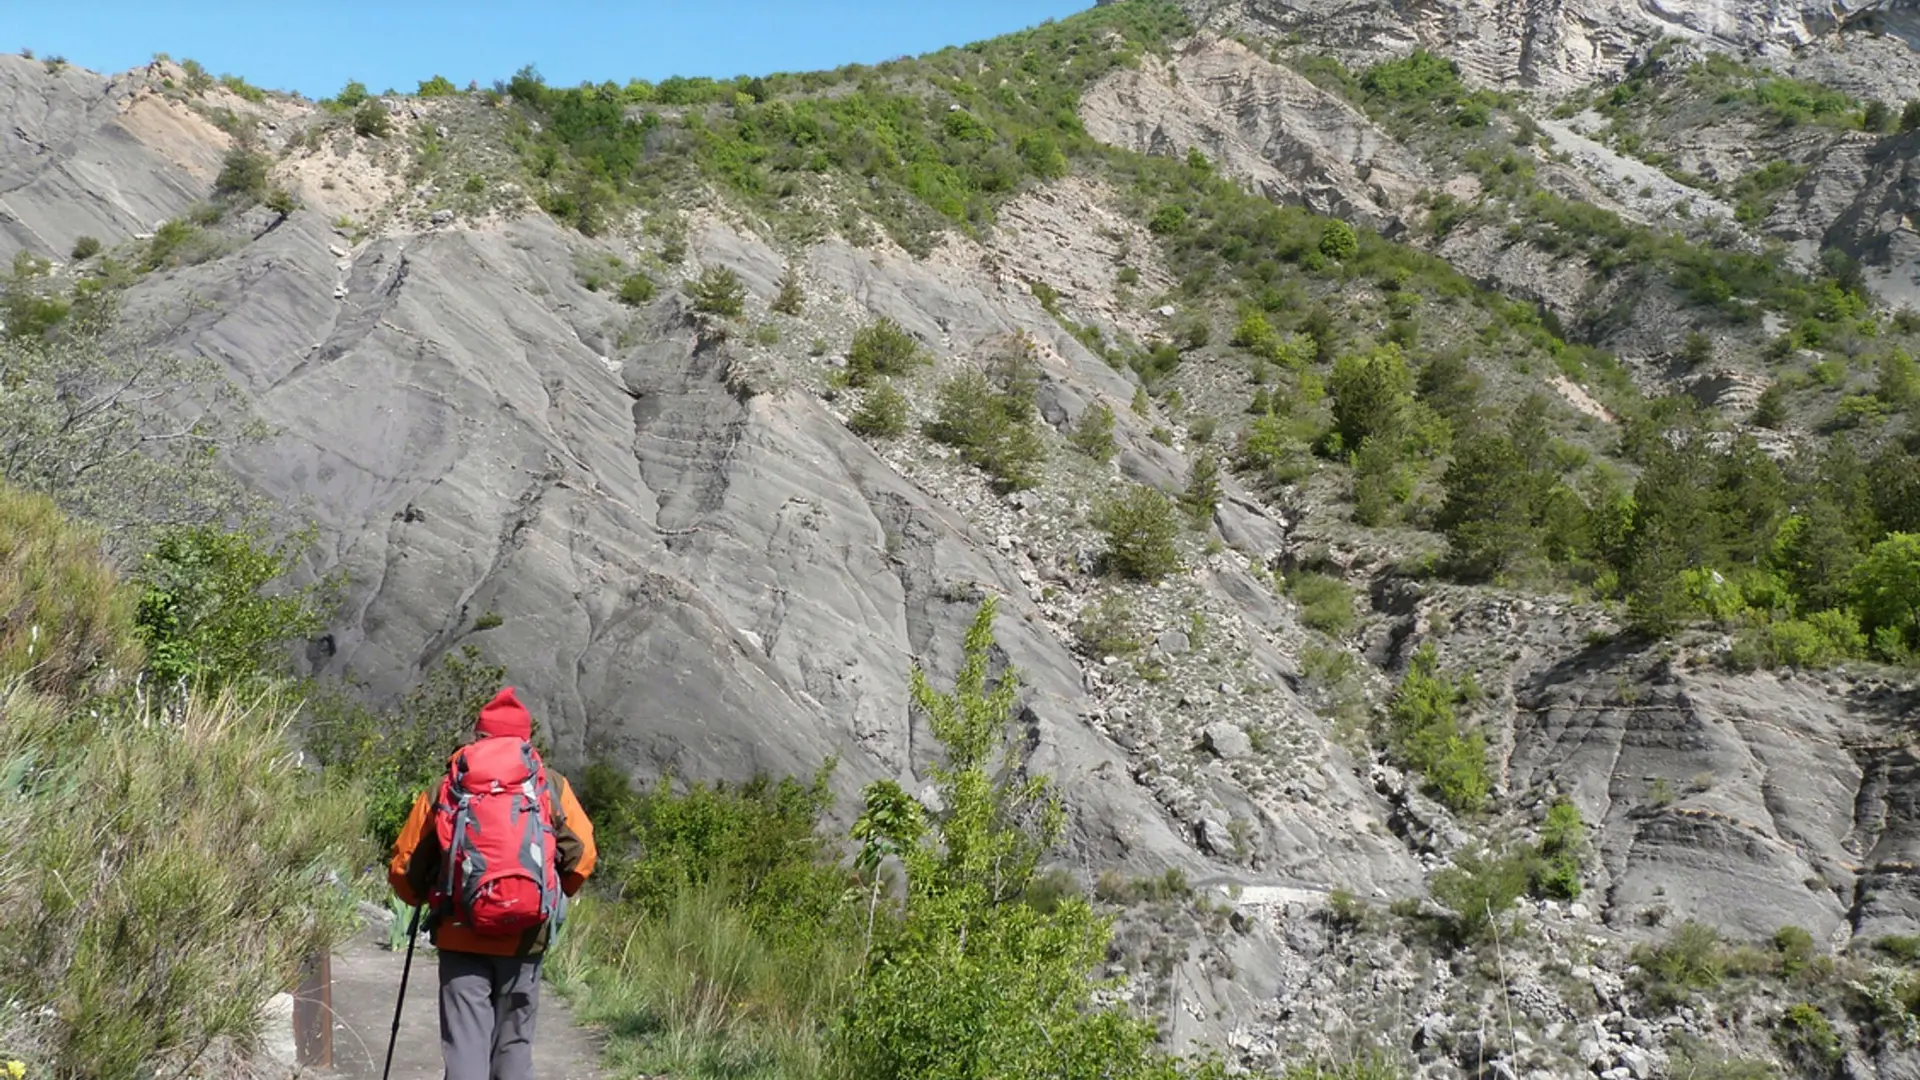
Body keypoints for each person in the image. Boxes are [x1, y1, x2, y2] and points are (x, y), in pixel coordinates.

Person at [388, 687, 596, 1080]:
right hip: (525, 935)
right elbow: (582, 856)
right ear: (525, 739)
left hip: (460, 932)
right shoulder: (550, 785)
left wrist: (419, 897)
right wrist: (550, 894)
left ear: (479, 736)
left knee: (466, 1045)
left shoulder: (449, 785)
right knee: (514, 1046)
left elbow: (406, 867)